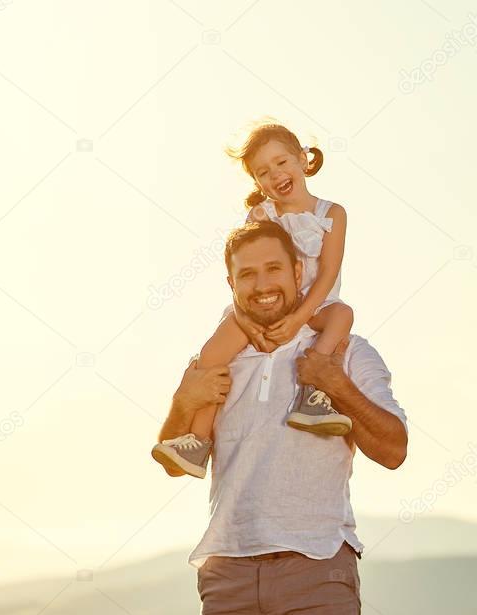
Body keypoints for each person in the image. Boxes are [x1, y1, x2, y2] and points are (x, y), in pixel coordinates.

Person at [156, 221, 409, 614]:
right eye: (247, 274)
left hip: (317, 568)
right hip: (228, 574)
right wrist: (181, 402)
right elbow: (176, 464)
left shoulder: (346, 351)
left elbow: (394, 451)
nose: (262, 285)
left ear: (296, 272)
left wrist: (335, 385)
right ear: (231, 283)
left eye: (273, 268)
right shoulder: (216, 359)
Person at [151, 123, 354, 479]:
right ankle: (198, 441)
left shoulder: (331, 214)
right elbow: (242, 269)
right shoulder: (261, 216)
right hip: (263, 308)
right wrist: (246, 323)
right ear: (257, 183)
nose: (276, 175)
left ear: (303, 160)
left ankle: (312, 396)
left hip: (313, 307)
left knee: (342, 316)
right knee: (213, 355)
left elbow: (327, 275)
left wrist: (298, 319)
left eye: (281, 162)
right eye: (263, 172)